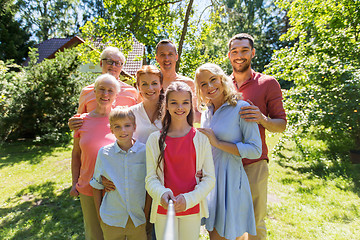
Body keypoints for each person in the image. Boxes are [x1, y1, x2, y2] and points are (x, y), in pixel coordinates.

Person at [228, 33, 287, 240]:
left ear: (252, 53)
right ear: (229, 55)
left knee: (254, 221)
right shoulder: (222, 85)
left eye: (244, 50)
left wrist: (262, 119)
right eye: (235, 51)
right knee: (230, 220)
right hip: (227, 163)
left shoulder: (268, 83)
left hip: (254, 162)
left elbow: (281, 124)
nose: (239, 55)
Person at [195, 63, 262, 240]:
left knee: (232, 235)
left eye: (212, 80)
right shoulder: (206, 113)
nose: (209, 87)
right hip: (210, 182)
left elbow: (255, 150)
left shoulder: (241, 107)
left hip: (231, 181)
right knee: (213, 234)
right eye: (203, 84)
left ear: (222, 79)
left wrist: (217, 142)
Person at [145, 81, 216, 240]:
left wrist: (189, 199)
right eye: (174, 103)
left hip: (191, 209)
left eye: (185, 102)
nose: (180, 107)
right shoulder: (154, 139)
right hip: (164, 209)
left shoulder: (201, 139)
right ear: (166, 106)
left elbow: (209, 179)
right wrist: (162, 194)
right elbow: (150, 178)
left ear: (191, 105)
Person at [70, 74, 121, 240]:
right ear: (94, 92)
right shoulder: (82, 121)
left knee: (115, 234)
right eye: (101, 89)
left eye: (110, 91)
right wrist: (73, 183)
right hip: (87, 187)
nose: (105, 94)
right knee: (94, 234)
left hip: (113, 188)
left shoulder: (122, 120)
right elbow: (76, 155)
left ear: (116, 95)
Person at [90, 107, 147, 240]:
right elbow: (96, 185)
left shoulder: (145, 152)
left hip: (138, 218)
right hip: (111, 218)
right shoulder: (104, 153)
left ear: (134, 127)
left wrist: (146, 213)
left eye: (127, 125)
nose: (123, 130)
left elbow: (149, 185)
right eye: (117, 127)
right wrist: (99, 215)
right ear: (111, 129)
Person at [69, 46, 139, 130]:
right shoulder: (86, 92)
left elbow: (138, 120)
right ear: (101, 63)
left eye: (117, 63)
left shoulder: (132, 92)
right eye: (109, 62)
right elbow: (79, 122)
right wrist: (73, 123)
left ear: (121, 67)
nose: (113, 66)